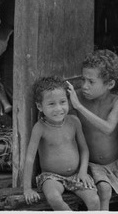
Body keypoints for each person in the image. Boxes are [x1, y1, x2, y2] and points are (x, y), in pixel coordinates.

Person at [66, 49, 118, 211]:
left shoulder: (117, 101)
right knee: (104, 190)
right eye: (83, 79)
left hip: (116, 162)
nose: (84, 86)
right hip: (91, 164)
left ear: (110, 84)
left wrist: (78, 107)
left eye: (91, 82)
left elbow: (108, 128)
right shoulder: (76, 97)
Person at [23, 76, 100, 211]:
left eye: (62, 102)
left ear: (68, 102)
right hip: (51, 177)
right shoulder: (40, 128)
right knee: (54, 198)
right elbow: (30, 158)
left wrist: (83, 172)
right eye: (51, 104)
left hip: (76, 174)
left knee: (94, 200)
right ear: (40, 106)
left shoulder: (74, 121)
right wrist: (27, 189)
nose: (58, 108)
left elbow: (84, 150)